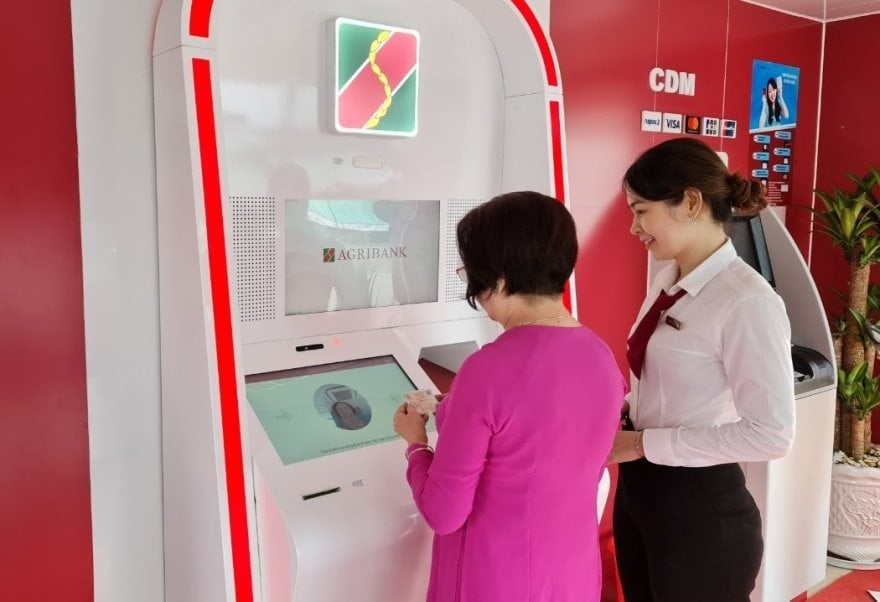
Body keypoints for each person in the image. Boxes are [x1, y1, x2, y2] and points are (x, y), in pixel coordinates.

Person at [392, 191, 624, 602]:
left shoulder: (486, 370)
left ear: (498, 278)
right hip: (571, 574)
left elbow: (443, 513)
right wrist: (454, 407)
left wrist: (416, 444)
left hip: (494, 579)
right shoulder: (602, 358)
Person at [610, 137, 795, 602]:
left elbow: (772, 434)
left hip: (699, 510)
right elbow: (662, 384)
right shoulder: (666, 281)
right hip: (639, 493)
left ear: (691, 203)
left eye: (641, 211)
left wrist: (644, 444)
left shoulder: (747, 301)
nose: (633, 227)